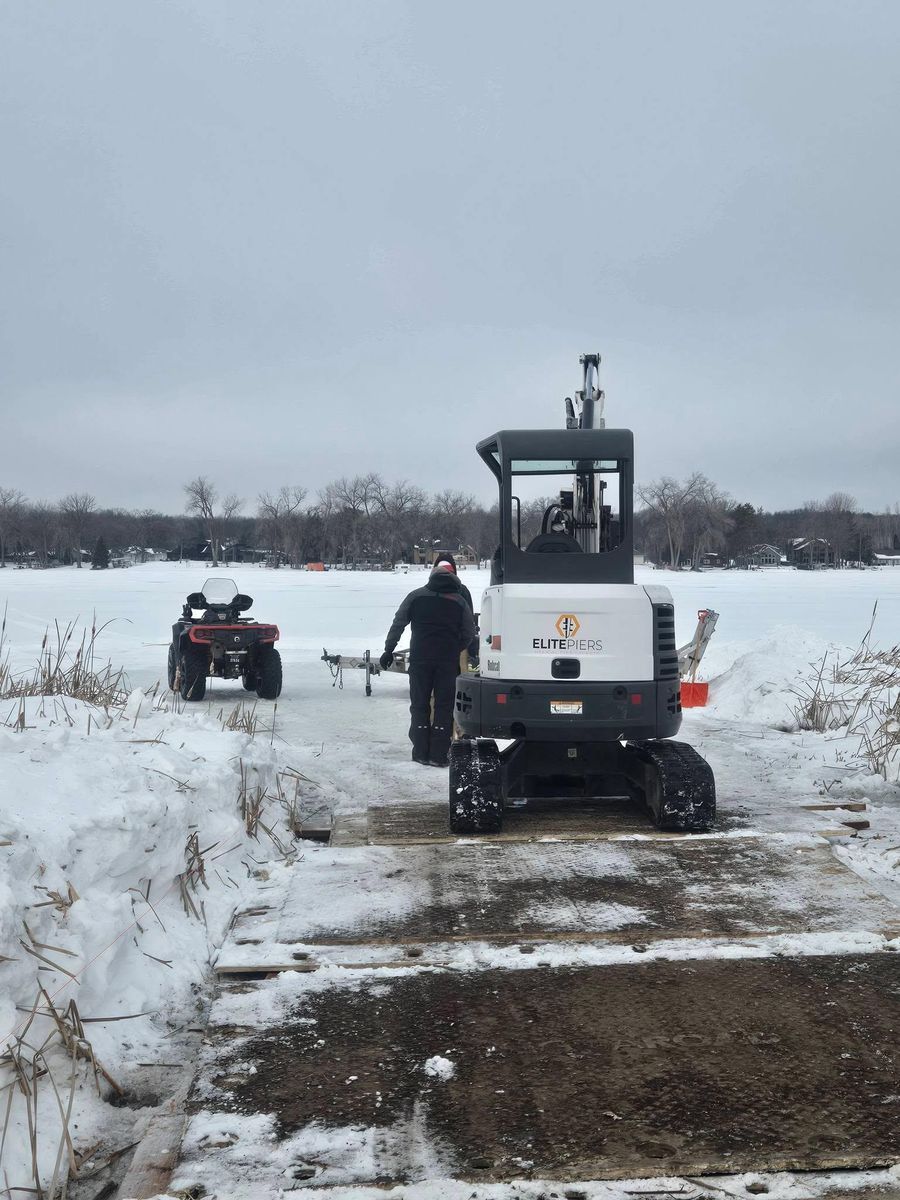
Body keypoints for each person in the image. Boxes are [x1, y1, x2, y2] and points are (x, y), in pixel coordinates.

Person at [380, 561, 477, 767]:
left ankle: (420, 753)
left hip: (419, 659)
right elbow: (469, 633)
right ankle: (439, 755)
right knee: (443, 706)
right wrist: (455, 648)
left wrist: (389, 650)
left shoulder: (416, 596)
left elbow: (398, 623)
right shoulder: (459, 601)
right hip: (447, 662)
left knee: (419, 704)